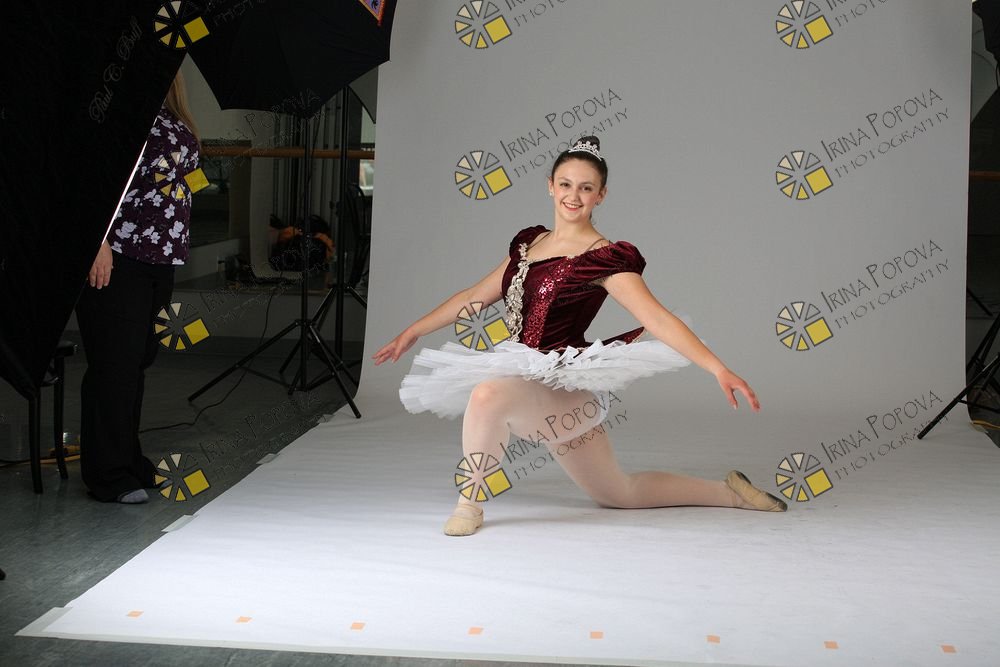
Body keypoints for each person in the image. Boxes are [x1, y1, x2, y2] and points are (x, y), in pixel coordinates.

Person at [374, 136, 786, 536]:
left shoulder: (602, 258)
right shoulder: (529, 243)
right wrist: (413, 331)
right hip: (523, 374)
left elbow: (657, 318)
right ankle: (730, 493)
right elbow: (474, 297)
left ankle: (469, 504)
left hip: (562, 386)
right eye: (566, 184)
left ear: (601, 195)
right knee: (619, 494)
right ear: (550, 187)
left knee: (487, 395)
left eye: (586, 188)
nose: (574, 196)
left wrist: (718, 369)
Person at [76, 70, 201, 503]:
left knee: (138, 360)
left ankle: (128, 460)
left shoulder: (175, 118)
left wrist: (187, 194)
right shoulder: (119, 113)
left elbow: (186, 179)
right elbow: (88, 182)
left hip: (161, 258)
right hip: (120, 255)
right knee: (115, 363)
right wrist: (97, 242)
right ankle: (107, 474)